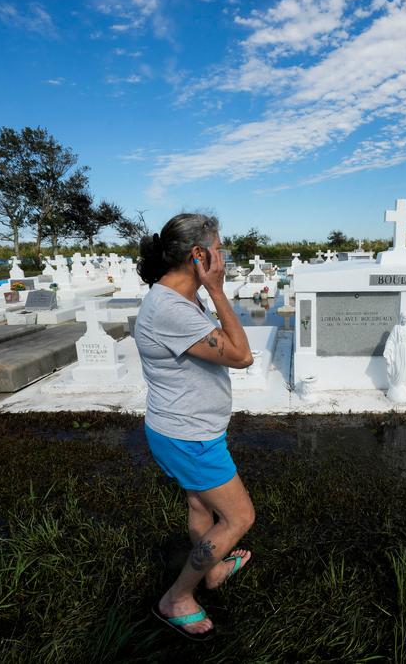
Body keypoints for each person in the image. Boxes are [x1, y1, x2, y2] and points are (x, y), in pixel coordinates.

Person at [133, 213, 256, 640]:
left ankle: (215, 570)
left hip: (188, 428)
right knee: (239, 517)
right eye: (218, 248)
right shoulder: (171, 307)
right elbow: (242, 355)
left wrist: (207, 290)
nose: (223, 255)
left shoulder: (179, 296)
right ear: (198, 255)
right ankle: (177, 598)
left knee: (202, 508)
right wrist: (219, 290)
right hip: (189, 437)